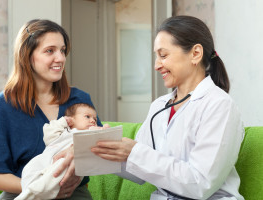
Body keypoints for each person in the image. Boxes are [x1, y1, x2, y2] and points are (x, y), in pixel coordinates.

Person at [91, 15, 245, 200]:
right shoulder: (159, 106)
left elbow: (201, 184)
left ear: (196, 53)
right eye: (156, 56)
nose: (156, 65)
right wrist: (101, 146)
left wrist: (135, 152)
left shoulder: (219, 106)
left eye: (163, 55)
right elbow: (139, 170)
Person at [0, 19, 102, 200]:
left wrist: (80, 150)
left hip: (72, 194)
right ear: (27, 56)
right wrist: (41, 189)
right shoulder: (4, 105)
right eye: (50, 51)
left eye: (63, 50)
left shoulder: (80, 100)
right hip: (23, 193)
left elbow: (103, 153)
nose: (60, 58)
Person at [15, 103, 99, 200]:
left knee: (59, 170)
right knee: (29, 169)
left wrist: (102, 131)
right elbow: (48, 134)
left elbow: (101, 142)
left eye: (95, 119)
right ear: (71, 119)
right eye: (87, 117)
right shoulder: (63, 132)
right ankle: (28, 191)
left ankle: (30, 196)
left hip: (67, 164)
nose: (93, 120)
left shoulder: (91, 134)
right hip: (45, 159)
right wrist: (63, 122)